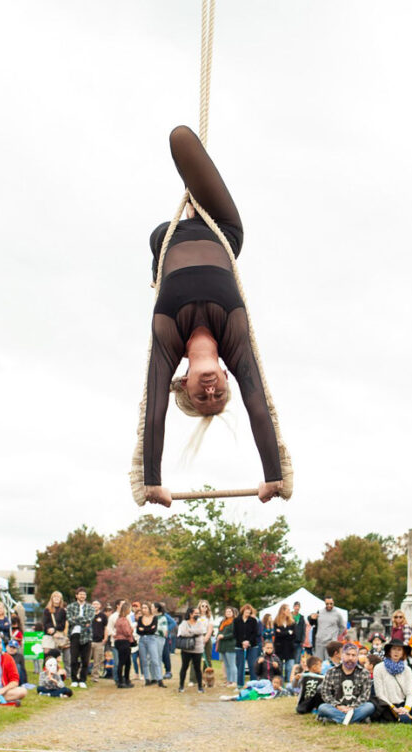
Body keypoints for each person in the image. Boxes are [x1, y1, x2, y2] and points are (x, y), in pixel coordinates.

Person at [139, 125, 284, 509]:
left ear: (183, 383)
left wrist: (151, 483)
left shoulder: (167, 339)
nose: (209, 391)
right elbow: (259, 405)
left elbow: (153, 413)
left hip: (165, 240)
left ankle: (168, 247)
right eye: (218, 395)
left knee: (178, 146)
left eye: (200, 397)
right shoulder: (235, 340)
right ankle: (197, 203)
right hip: (221, 229)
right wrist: (275, 475)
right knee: (181, 138)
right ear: (224, 375)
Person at [372, 638, 412, 724]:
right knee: (406, 720)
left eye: (399, 650)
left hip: (402, 704)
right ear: (389, 651)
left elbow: (410, 693)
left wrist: (406, 708)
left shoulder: (407, 670)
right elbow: (379, 694)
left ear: (403, 652)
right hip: (387, 705)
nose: (396, 652)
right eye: (394, 649)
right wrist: (394, 708)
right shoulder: (379, 668)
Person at [317, 643, 375, 725]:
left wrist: (352, 707)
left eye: (353, 655)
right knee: (322, 708)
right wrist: (337, 706)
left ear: (357, 657)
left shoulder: (364, 673)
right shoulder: (331, 672)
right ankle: (354, 719)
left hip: (356, 708)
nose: (350, 658)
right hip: (336, 707)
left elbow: (365, 695)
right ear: (342, 655)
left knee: (369, 707)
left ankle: (336, 719)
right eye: (348, 654)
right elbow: (325, 693)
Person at [67, 587, 94, 688]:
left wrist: (77, 618)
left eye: (84, 594)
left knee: (85, 660)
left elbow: (89, 619)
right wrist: (82, 620)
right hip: (74, 634)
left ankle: (83, 679)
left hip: (87, 635)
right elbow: (70, 620)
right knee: (74, 659)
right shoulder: (71, 606)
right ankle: (74, 679)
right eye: (80, 594)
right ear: (76, 595)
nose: (82, 596)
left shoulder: (90, 607)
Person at [177, 606, 208, 694]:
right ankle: (181, 686)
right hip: (186, 649)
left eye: (198, 613)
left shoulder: (200, 623)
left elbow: (202, 631)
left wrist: (190, 631)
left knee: (197, 668)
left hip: (198, 649)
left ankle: (200, 687)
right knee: (184, 667)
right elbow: (182, 633)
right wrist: (195, 632)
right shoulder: (184, 623)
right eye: (196, 613)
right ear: (190, 614)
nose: (198, 614)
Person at [137, 602, 164, 687]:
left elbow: (153, 630)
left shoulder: (154, 618)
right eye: (142, 608)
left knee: (155, 660)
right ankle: (147, 679)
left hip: (152, 639)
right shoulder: (140, 618)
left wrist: (143, 629)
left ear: (149, 608)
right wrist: (148, 629)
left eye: (145, 608)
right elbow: (138, 631)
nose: (143, 609)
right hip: (142, 640)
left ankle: (159, 679)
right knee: (144, 661)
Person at [234, 603, 260, 688]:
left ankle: (253, 684)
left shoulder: (253, 621)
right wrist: (242, 642)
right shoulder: (237, 620)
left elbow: (255, 633)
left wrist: (248, 642)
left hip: (252, 645)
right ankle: (240, 684)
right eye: (246, 612)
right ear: (243, 611)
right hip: (239, 645)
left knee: (252, 665)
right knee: (240, 665)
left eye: (249, 612)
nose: (247, 614)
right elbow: (235, 633)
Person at [42, 591, 70, 672]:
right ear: (52, 598)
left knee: (56, 655)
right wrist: (51, 630)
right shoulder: (47, 610)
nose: (56, 598)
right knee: (47, 654)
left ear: (61, 599)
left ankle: (55, 672)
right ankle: (45, 671)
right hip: (48, 635)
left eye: (58, 597)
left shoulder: (63, 611)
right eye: (55, 597)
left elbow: (62, 625)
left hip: (58, 636)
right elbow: (45, 623)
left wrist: (54, 629)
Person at [112, 601, 135, 689]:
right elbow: (127, 632)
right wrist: (132, 629)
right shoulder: (124, 620)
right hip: (124, 641)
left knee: (124, 662)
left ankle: (123, 680)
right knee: (124, 662)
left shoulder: (118, 619)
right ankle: (123, 681)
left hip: (119, 641)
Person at [216, 606, 239, 688]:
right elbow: (219, 631)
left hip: (230, 646)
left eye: (230, 612)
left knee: (232, 664)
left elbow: (234, 634)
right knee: (226, 665)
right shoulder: (223, 622)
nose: (228, 613)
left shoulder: (235, 622)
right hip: (223, 645)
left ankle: (234, 681)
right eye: (227, 612)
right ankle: (229, 681)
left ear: (233, 613)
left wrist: (224, 636)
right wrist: (218, 635)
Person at [273, 604, 296, 682]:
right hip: (279, 648)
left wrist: (282, 633)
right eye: (288, 610)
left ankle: (290, 683)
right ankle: (280, 683)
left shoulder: (292, 622)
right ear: (283, 611)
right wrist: (288, 632)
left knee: (289, 667)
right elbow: (277, 635)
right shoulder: (276, 622)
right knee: (279, 667)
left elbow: (294, 635)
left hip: (290, 647)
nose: (289, 611)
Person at [90, 599, 107, 682]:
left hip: (99, 641)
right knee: (85, 659)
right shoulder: (88, 615)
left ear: (100, 606)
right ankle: (82, 676)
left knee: (97, 660)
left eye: (97, 604)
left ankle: (95, 677)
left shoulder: (103, 616)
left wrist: (105, 638)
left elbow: (106, 627)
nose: (95, 605)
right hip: (89, 641)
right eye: (93, 604)